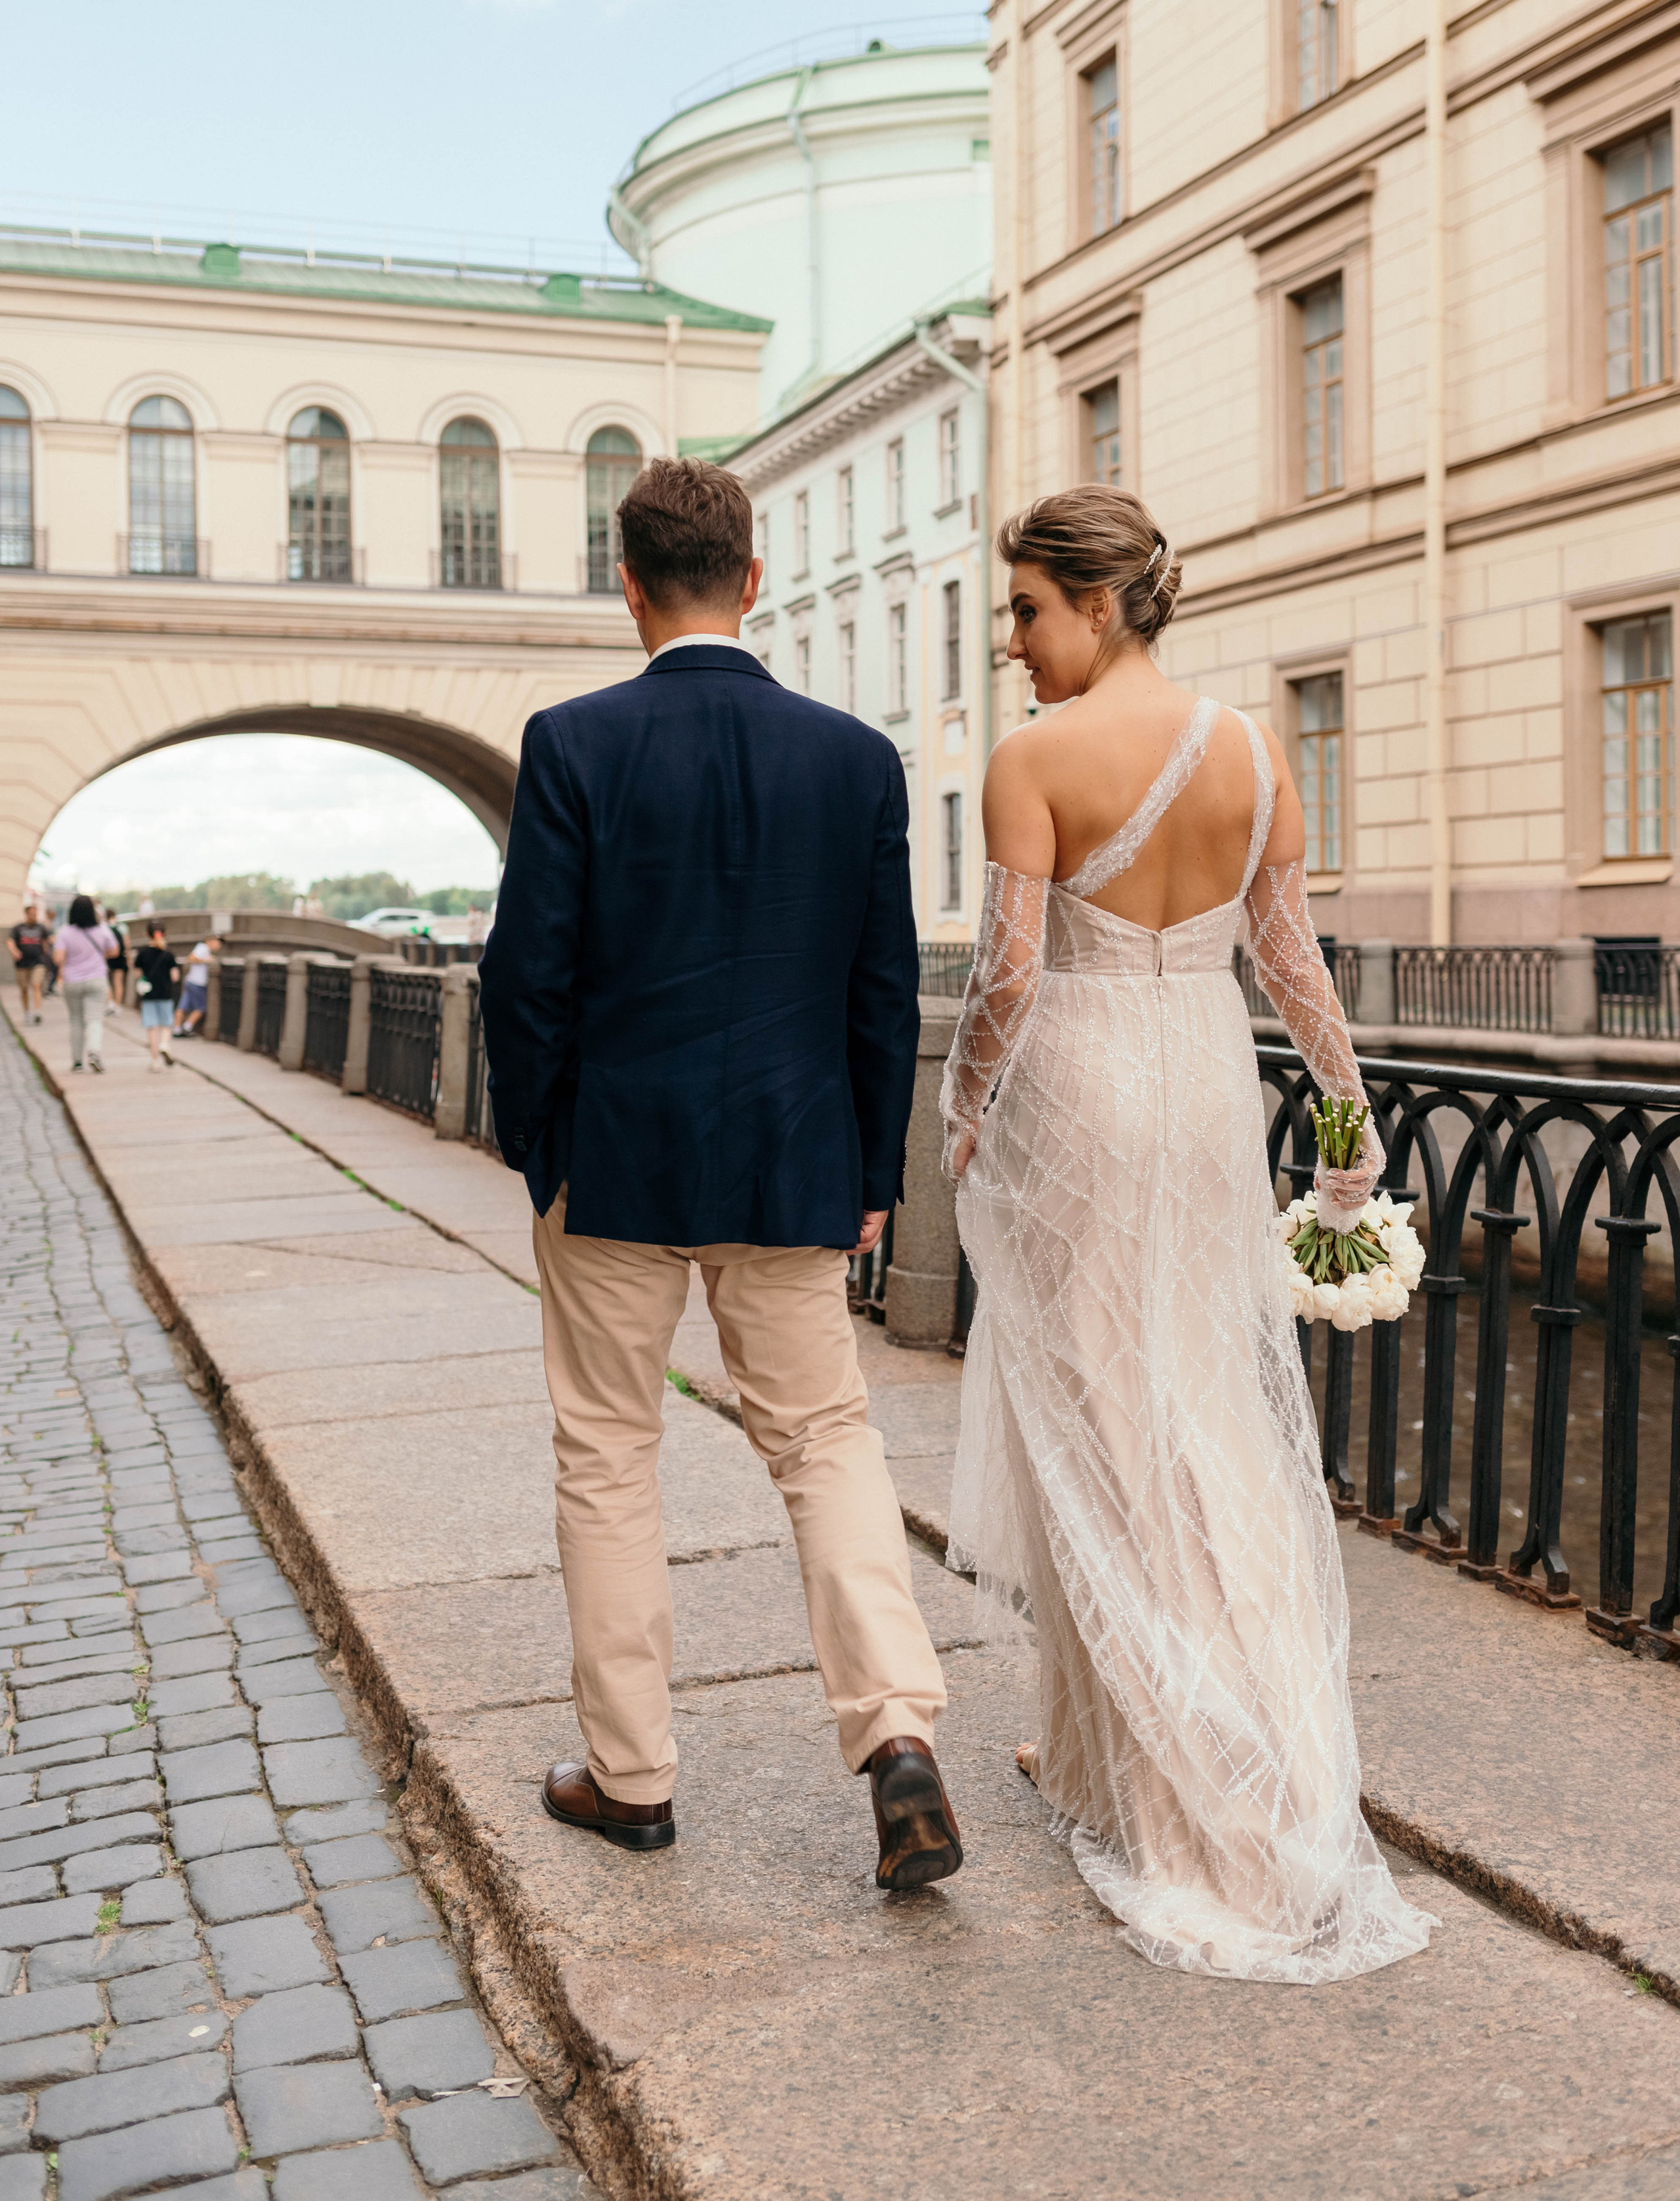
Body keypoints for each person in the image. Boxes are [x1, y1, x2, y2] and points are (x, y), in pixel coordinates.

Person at [941, 485, 1437, 1984]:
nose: (1013, 642)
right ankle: (1125, 1752)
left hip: (1082, 1094)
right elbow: (1292, 967)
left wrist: (958, 1112)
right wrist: (1343, 1136)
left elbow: (1010, 978)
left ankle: (1179, 1795)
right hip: (1207, 1090)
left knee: (1100, 1424)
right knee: (1205, 1412)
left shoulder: (1031, 757)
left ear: (1097, 605)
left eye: (1027, 609)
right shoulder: (1247, 746)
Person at [480, 457, 956, 1889]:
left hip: (612, 1162)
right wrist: (866, 1168)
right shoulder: (854, 759)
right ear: (754, 581)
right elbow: (881, 993)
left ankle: (628, 1778)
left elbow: (526, 981)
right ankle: (895, 1738)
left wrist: (539, 1149)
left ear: (626, 586)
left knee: (608, 1454)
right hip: (792, 1158)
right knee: (824, 1441)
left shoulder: (571, 742)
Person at [53, 895, 118, 1073]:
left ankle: (77, 1062)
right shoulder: (102, 929)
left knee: (76, 1021)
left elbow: (58, 958)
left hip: (72, 981)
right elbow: (115, 950)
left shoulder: (65, 932)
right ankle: (94, 1053)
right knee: (95, 1019)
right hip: (97, 979)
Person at [132, 923, 180, 1072]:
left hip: (149, 995)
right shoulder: (169, 954)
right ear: (164, 934)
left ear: (147, 935)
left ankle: (155, 1061)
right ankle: (164, 1045)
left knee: (152, 1028)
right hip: (165, 994)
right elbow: (175, 977)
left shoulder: (143, 953)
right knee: (166, 1025)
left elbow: (137, 974)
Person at [8, 906, 49, 1024]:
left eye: (35, 914)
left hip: (38, 962)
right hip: (22, 963)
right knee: (24, 989)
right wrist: (15, 951)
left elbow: (46, 941)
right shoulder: (18, 928)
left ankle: (37, 1011)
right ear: (27, 914)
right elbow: (10, 941)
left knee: (36, 985)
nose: (34, 916)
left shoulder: (41, 928)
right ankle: (27, 1012)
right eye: (32, 914)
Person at [173, 933, 219, 1036]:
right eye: (217, 942)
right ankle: (187, 1027)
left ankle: (177, 1029)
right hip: (197, 983)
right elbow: (191, 958)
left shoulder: (203, 948)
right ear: (209, 941)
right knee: (201, 1007)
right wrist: (207, 960)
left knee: (183, 1006)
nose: (218, 945)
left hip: (190, 981)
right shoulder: (203, 948)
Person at [101, 908, 129, 1012]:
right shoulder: (122, 927)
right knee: (118, 982)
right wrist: (128, 957)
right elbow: (126, 944)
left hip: (107, 956)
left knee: (107, 982)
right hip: (120, 957)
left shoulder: (104, 927)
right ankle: (118, 1005)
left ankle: (110, 1002)